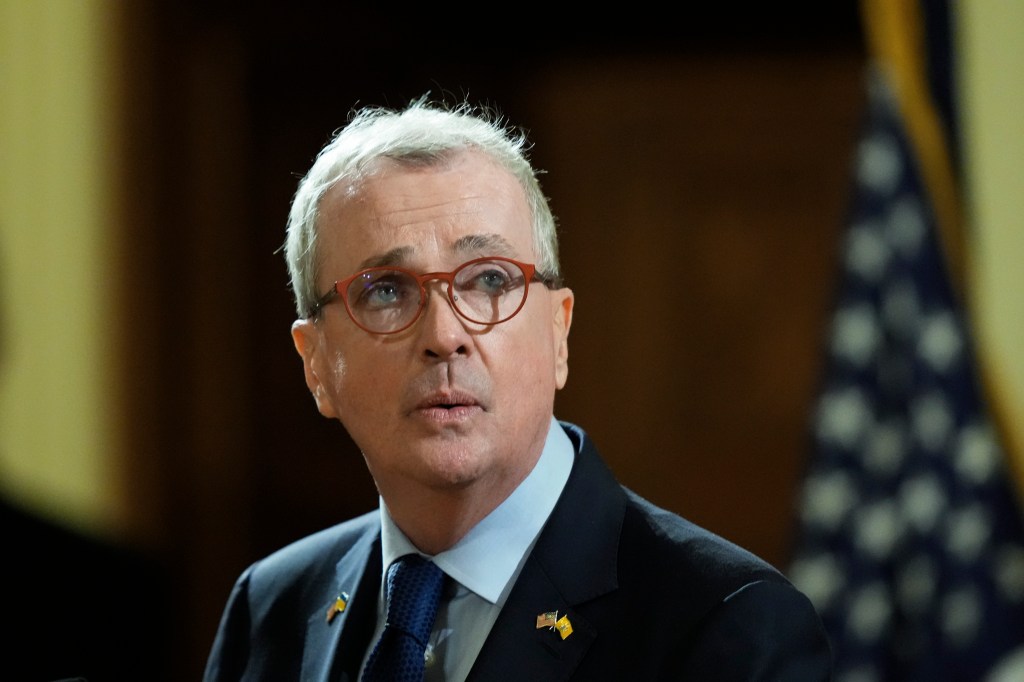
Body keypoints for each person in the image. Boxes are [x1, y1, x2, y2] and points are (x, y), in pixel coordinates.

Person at [203, 96, 832, 681]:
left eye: (489, 280)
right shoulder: (272, 610)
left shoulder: (729, 626)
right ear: (316, 364)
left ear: (559, 334)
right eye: (387, 290)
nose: (445, 335)